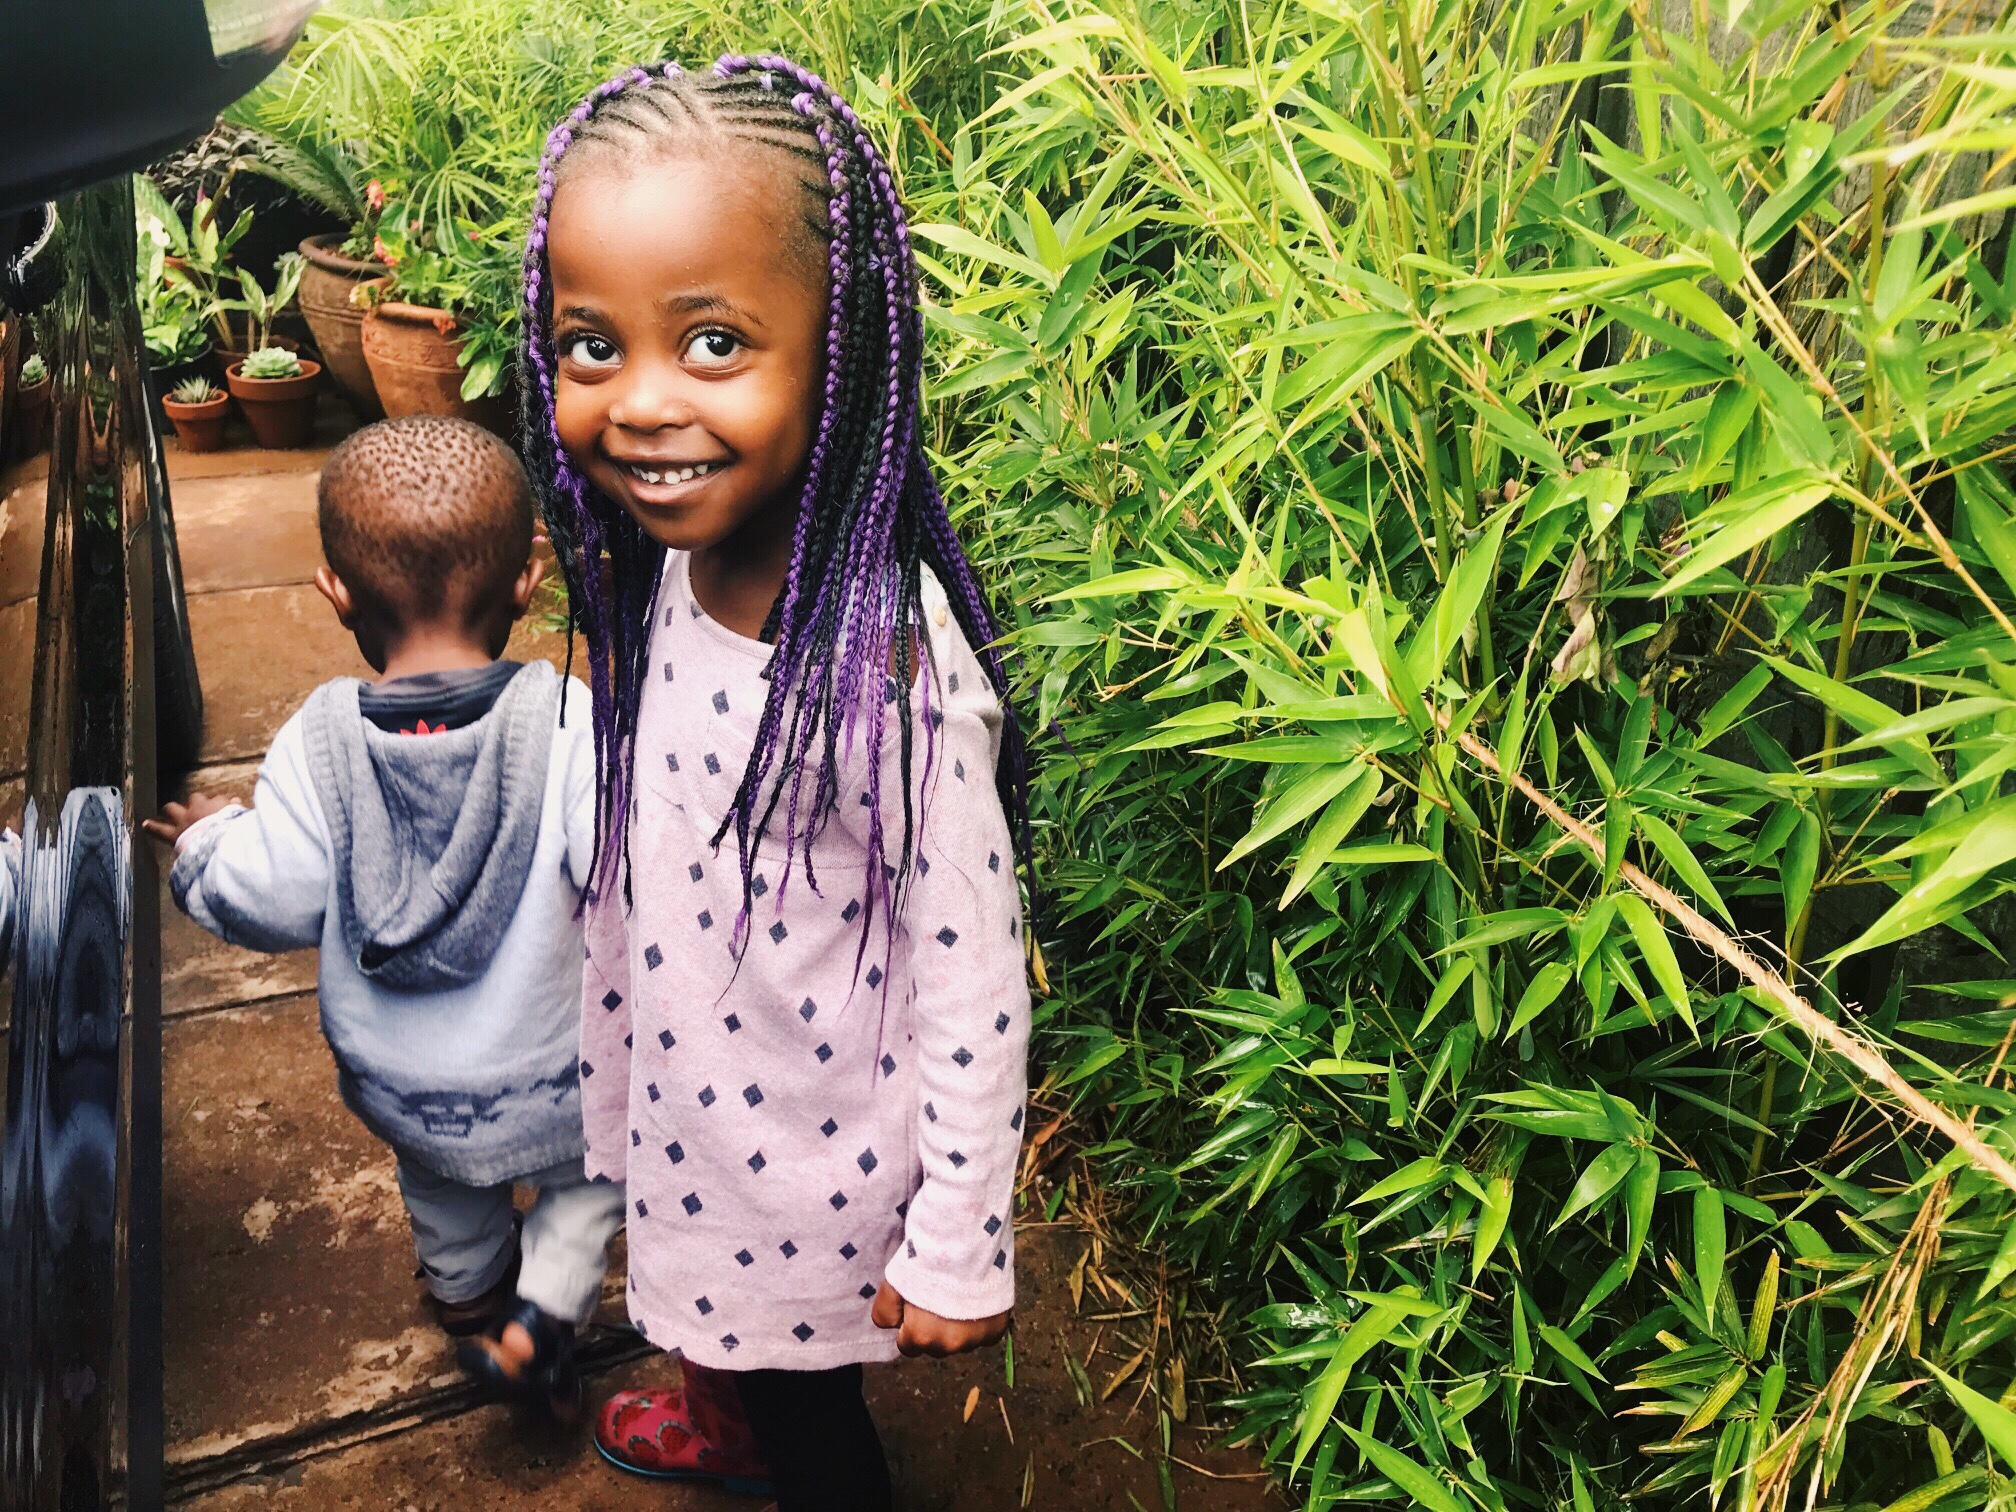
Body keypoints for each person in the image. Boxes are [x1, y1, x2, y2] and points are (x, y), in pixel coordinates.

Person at [518, 54, 1037, 1511]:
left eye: (714, 343)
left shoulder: (887, 671)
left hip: (812, 1161)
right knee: (710, 1323)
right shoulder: (663, 569)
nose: (640, 404)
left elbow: (975, 977)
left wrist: (957, 1233)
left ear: (845, 348)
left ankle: (780, 1449)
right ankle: (723, 1418)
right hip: (702, 1095)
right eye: (589, 345)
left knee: (824, 1445)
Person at [143, 416, 621, 1421]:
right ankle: (542, 1326)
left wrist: (207, 846)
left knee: (447, 1200)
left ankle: (474, 1311)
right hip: (560, 1085)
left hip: (413, 1094)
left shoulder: (316, 747)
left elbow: (268, 898)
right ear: (529, 586)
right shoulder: (571, 724)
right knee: (586, 1192)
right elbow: (629, 871)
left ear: (337, 594)